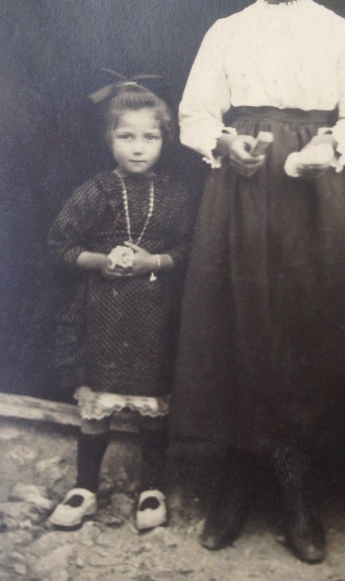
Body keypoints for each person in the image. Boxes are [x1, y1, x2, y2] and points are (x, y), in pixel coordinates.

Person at [172, 0, 345, 564]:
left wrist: (328, 148)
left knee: (304, 326)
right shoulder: (226, 31)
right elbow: (195, 113)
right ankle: (235, 482)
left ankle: (296, 488)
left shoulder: (341, 33)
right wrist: (224, 142)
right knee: (238, 321)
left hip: (312, 196)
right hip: (240, 188)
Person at [47, 81, 193, 531]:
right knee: (97, 405)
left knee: (153, 408)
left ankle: (151, 488)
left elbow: (187, 251)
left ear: (165, 140)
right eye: (126, 136)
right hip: (101, 316)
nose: (138, 147)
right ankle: (85, 488)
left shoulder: (176, 195)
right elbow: (59, 246)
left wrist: (154, 261)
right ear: (109, 138)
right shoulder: (95, 191)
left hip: (154, 318)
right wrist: (100, 261)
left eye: (150, 137)